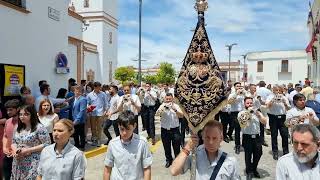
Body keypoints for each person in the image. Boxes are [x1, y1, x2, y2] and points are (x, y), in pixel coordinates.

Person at [170, 120, 240, 180]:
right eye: (207, 137)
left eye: (214, 138)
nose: (211, 142)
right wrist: (187, 147)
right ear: (202, 137)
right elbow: (174, 171)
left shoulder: (231, 162)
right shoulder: (195, 155)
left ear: (221, 138)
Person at [103, 111, 152, 180]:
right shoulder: (112, 144)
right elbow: (107, 169)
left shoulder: (142, 143)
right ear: (118, 126)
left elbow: (147, 168)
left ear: (134, 126)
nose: (124, 133)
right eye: (122, 129)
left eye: (128, 129)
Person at [11, 105, 51, 180]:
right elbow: (13, 142)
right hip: (18, 161)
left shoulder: (39, 128)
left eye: (26, 114)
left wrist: (28, 150)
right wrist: (15, 151)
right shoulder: (17, 127)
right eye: (20, 114)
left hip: (33, 162)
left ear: (32, 114)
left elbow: (47, 144)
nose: (22, 116)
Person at [238, 97, 267, 179]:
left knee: (258, 153)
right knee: (248, 155)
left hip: (257, 137)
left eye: (251, 103)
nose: (250, 104)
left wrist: (259, 115)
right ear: (244, 104)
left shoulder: (257, 112)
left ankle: (254, 168)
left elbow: (264, 122)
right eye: (248, 103)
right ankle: (249, 171)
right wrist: (249, 113)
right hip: (247, 137)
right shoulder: (241, 113)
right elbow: (243, 124)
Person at [156, 93, 183, 168]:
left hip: (175, 130)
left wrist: (175, 109)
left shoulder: (176, 106)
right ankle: (169, 160)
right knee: (166, 146)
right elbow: (157, 114)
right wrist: (161, 110)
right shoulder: (162, 105)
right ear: (165, 99)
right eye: (167, 99)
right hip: (165, 130)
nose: (168, 101)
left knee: (176, 147)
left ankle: (177, 161)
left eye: (169, 99)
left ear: (172, 99)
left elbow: (181, 115)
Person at [266, 85, 290, 160]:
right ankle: (275, 152)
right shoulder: (270, 97)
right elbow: (267, 106)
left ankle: (286, 151)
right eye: (276, 90)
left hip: (283, 118)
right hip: (273, 118)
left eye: (279, 90)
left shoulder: (284, 97)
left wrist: (284, 102)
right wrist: (273, 100)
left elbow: (288, 108)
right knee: (274, 135)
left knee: (285, 135)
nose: (278, 92)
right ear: (273, 91)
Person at [87, 81, 110, 146]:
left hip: (101, 113)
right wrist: (88, 107)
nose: (99, 89)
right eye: (98, 87)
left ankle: (99, 139)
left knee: (99, 127)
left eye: (100, 87)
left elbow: (106, 103)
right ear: (94, 87)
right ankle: (94, 139)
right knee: (93, 127)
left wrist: (106, 110)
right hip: (92, 113)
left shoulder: (103, 94)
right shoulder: (89, 95)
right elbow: (87, 103)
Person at [2, 99, 20, 180]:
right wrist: (4, 148)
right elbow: (5, 136)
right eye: (7, 110)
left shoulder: (23, 122)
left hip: (19, 155)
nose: (8, 112)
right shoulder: (8, 121)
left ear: (18, 109)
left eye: (11, 110)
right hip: (8, 154)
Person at [228, 82, 247, 154]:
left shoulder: (243, 94)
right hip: (235, 113)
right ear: (234, 87)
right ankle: (237, 146)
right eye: (237, 86)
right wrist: (236, 94)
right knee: (237, 130)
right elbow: (229, 102)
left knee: (244, 129)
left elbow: (250, 100)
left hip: (243, 113)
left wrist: (245, 93)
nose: (239, 87)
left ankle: (245, 144)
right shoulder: (232, 94)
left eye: (240, 86)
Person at [72, 85, 88, 150]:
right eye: (75, 91)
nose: (76, 92)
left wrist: (77, 119)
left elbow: (82, 111)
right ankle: (76, 144)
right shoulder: (75, 98)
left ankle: (82, 146)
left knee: (81, 134)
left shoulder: (83, 99)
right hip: (74, 118)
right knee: (75, 133)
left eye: (77, 91)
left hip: (80, 120)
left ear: (80, 92)